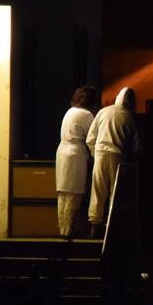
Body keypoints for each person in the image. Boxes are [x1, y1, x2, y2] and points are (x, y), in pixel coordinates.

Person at [85, 87, 141, 238]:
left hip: (100, 154)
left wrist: (94, 154)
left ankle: (94, 226)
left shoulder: (103, 112)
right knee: (114, 194)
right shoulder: (129, 117)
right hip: (118, 157)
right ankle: (110, 229)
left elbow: (90, 138)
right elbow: (136, 145)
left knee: (97, 190)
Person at [55, 86, 99, 237]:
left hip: (62, 151)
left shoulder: (70, 111)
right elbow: (93, 136)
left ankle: (63, 229)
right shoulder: (86, 115)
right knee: (75, 193)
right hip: (76, 153)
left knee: (63, 193)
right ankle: (69, 231)